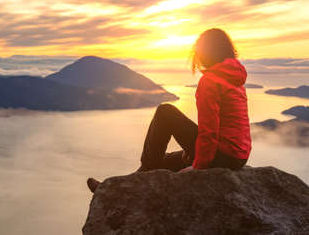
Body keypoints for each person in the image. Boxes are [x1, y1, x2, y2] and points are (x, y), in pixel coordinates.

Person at [87, 28, 252, 193]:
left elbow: (210, 132)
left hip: (221, 155)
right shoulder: (233, 77)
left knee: (165, 112)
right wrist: (192, 151)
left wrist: (198, 167)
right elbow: (230, 127)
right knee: (166, 161)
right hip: (238, 157)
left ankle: (123, 185)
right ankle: (115, 188)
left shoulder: (210, 81)